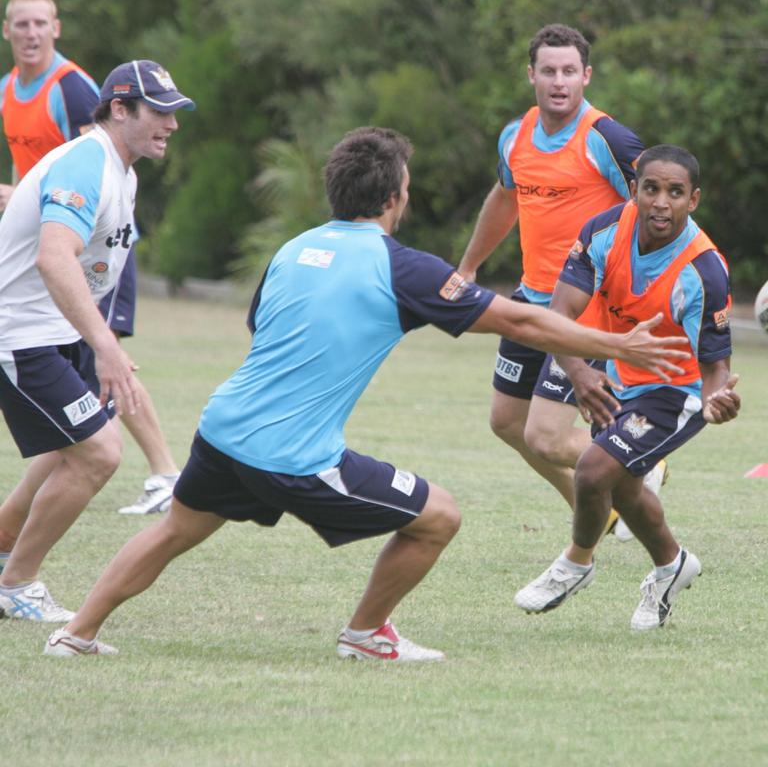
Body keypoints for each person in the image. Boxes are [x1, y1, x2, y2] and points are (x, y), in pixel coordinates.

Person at [40, 126, 690, 659]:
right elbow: (518, 318)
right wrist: (618, 347)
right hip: (293, 456)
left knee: (178, 528)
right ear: (394, 198)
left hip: (222, 429)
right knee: (439, 516)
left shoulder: (295, 248)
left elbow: (261, 327)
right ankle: (366, 634)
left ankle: (77, 634)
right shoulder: (399, 267)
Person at [513, 144, 739, 630]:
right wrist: (581, 372)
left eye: (675, 192)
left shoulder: (704, 271)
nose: (661, 202)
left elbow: (715, 366)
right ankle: (672, 564)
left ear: (693, 200)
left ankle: (575, 563)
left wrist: (718, 398)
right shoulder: (604, 231)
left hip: (675, 391)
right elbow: (561, 313)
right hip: (619, 375)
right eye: (651, 189)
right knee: (628, 490)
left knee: (594, 473)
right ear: (634, 189)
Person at [0, 59, 194, 621]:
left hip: (53, 331)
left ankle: (6, 545)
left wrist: (96, 343)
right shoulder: (88, 163)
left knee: (77, 443)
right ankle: (17, 583)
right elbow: (53, 256)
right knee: (98, 454)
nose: (172, 125)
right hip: (20, 334)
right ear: (119, 109)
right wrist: (106, 346)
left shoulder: (121, 170)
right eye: (160, 113)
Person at [458, 23, 664, 541]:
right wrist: (467, 267)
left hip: (585, 304)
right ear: (531, 75)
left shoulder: (608, 139)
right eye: (548, 70)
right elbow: (505, 200)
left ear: (586, 76)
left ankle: (640, 454)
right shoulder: (516, 136)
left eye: (569, 71)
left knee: (546, 437)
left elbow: (660, 209)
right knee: (506, 422)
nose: (559, 81)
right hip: (531, 300)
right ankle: (602, 506)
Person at [0, 0, 180, 521]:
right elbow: (54, 178)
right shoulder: (10, 89)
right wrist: (28, 203)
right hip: (52, 271)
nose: (32, 33)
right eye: (22, 24)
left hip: (95, 250)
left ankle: (164, 470)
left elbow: (90, 175)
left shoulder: (74, 88)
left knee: (102, 382)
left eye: (41, 23)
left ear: (56, 28)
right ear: (7, 30)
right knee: (93, 413)